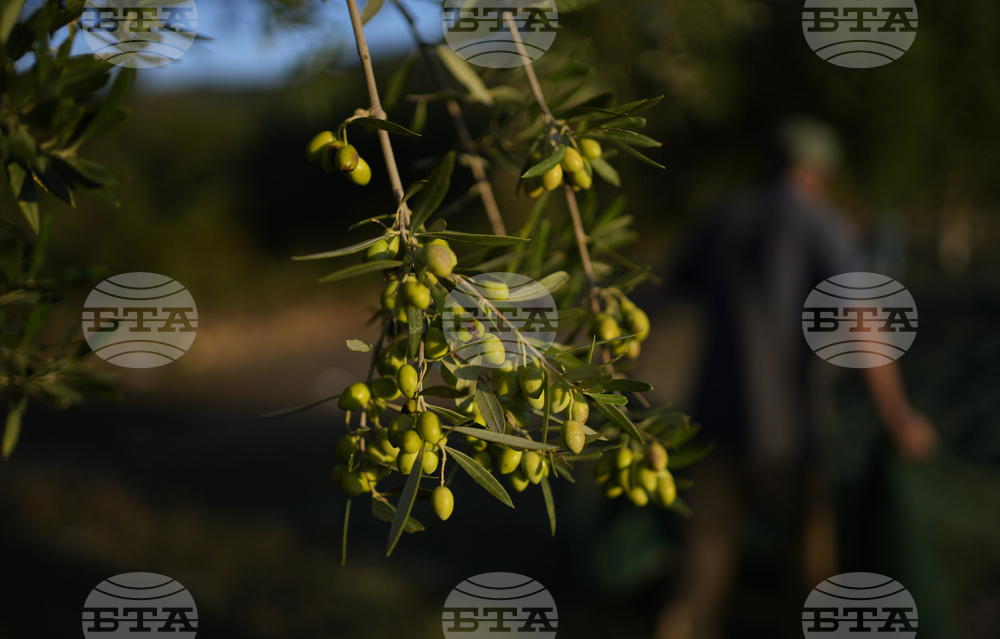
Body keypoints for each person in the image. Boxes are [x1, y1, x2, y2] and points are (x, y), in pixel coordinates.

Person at [656, 117, 938, 639]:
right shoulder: (824, 226)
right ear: (817, 172)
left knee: (700, 566)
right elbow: (863, 325)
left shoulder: (722, 218)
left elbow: (661, 296)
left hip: (713, 423)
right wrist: (899, 416)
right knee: (809, 572)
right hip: (790, 433)